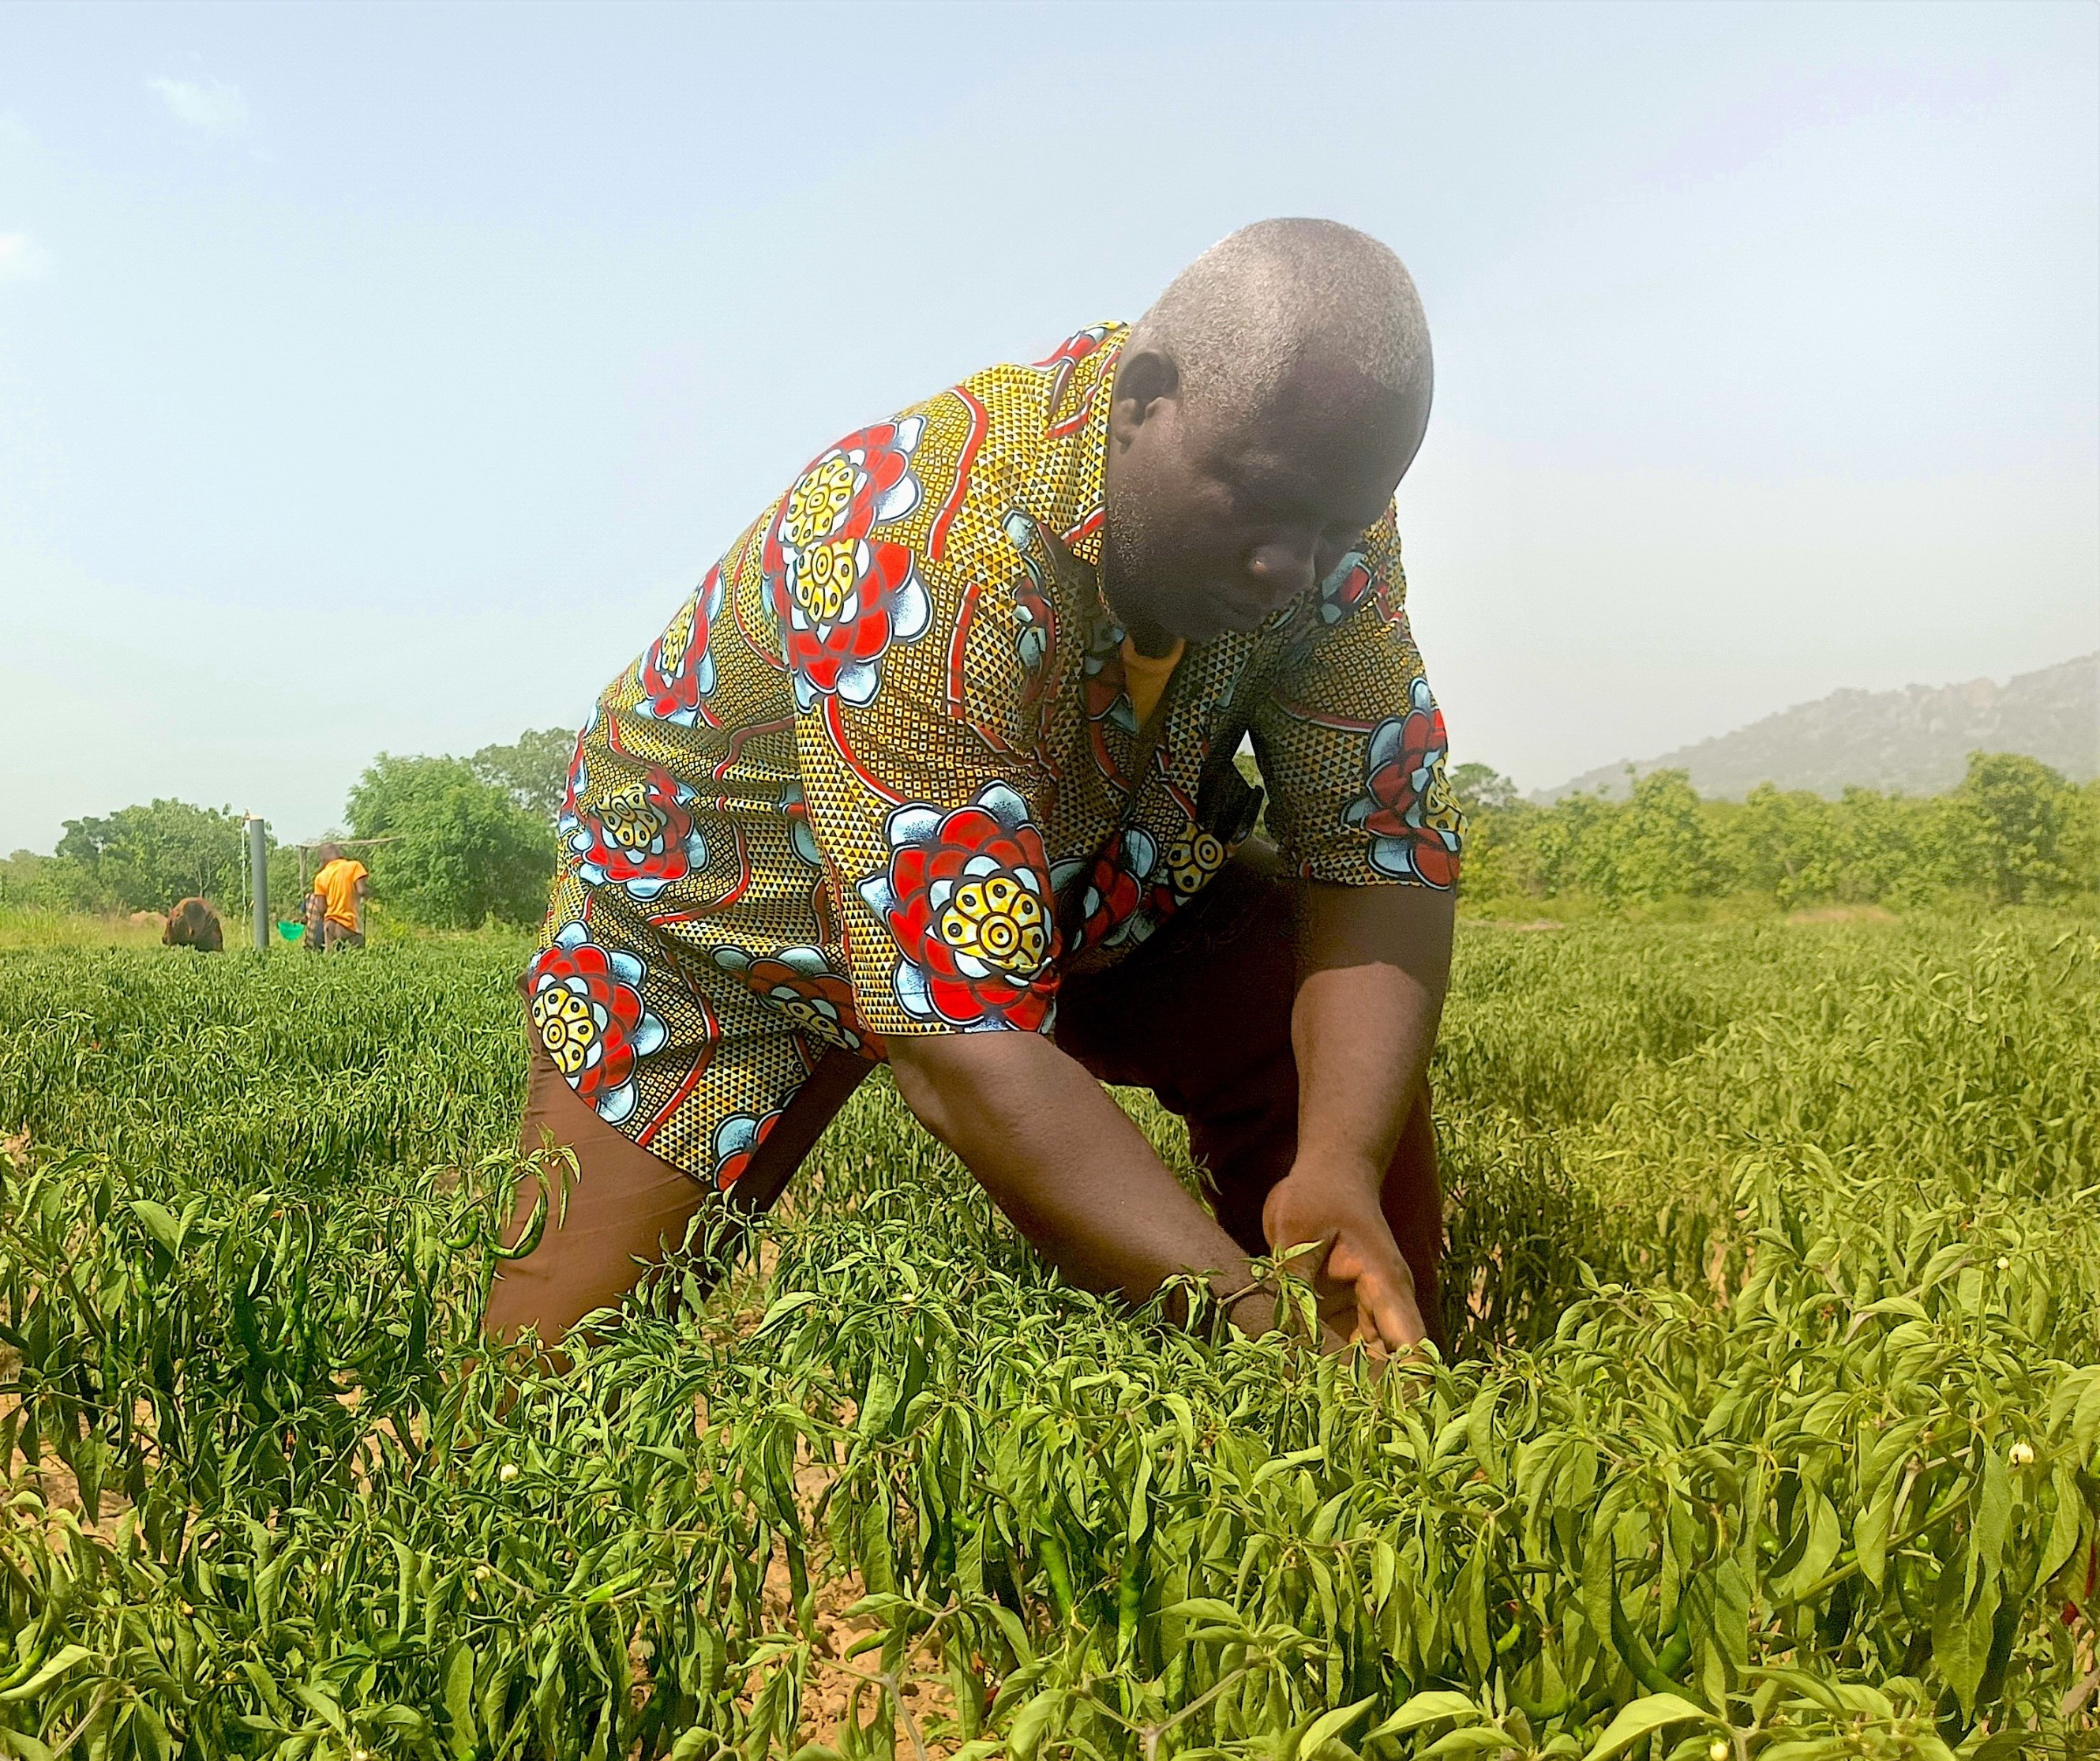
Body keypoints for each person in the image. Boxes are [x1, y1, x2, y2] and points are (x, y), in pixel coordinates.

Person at [487, 219, 1461, 1357]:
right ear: (1143, 398)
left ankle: (1362, 1414)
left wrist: (1333, 1161)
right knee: (544, 1390)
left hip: (1066, 867)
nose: (1285, 568)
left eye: (1329, 531)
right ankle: (1295, 1363)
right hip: (723, 916)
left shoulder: (1315, 505)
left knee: (1271, 979)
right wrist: (1248, 1319)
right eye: (1256, 507)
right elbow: (961, 1047)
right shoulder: (917, 539)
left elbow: (1379, 844)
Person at [309, 845, 370, 952]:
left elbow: (322, 909)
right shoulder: (354, 866)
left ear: (323, 859)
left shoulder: (320, 877)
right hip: (349, 925)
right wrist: (369, 892)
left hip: (330, 926)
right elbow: (361, 890)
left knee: (332, 962)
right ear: (340, 855)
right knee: (357, 960)